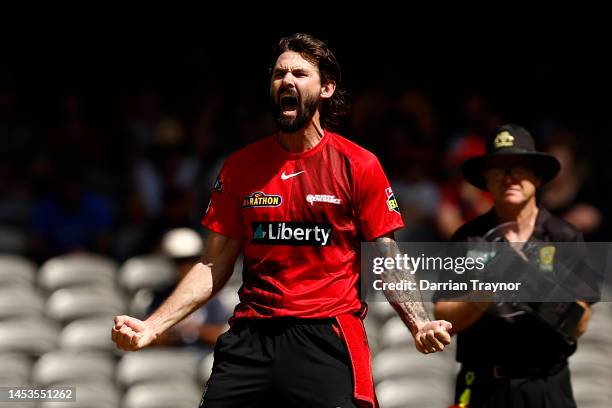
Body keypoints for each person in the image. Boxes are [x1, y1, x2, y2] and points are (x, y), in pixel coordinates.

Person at [112, 33, 451, 408]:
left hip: (326, 337)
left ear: (326, 88)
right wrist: (152, 326)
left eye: (300, 74)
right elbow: (213, 263)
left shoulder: (359, 165)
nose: (287, 81)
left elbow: (386, 255)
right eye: (279, 74)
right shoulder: (241, 167)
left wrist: (419, 323)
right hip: (251, 338)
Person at [434, 124, 594, 408]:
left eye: (518, 167)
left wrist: (533, 283)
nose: (509, 177)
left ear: (537, 176)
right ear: (486, 179)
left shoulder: (564, 237)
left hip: (546, 387)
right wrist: (485, 292)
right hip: (482, 385)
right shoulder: (467, 239)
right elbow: (444, 315)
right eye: (499, 168)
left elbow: (579, 323)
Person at [147, 228, 230, 352]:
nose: (185, 266)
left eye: (191, 259)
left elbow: (223, 336)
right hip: (170, 356)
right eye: (179, 261)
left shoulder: (210, 294)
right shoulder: (159, 296)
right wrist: (175, 333)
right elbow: (150, 338)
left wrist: (195, 330)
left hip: (203, 354)